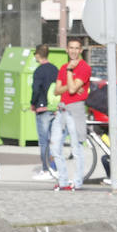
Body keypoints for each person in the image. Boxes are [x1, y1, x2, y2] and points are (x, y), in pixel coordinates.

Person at [52, 37, 89, 191]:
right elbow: (57, 90)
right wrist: (71, 84)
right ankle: (63, 181)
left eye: (76, 48)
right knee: (55, 146)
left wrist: (69, 74)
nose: (73, 51)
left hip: (76, 110)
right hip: (62, 110)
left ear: (80, 50)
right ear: (67, 49)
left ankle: (78, 181)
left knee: (76, 148)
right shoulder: (63, 67)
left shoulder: (84, 67)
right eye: (71, 48)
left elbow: (73, 90)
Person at [28, 44, 58, 180]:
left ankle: (46, 169)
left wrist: (32, 103)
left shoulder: (39, 71)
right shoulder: (55, 69)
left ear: (38, 55)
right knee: (53, 140)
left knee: (44, 141)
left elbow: (36, 90)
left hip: (42, 108)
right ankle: (55, 167)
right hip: (54, 108)